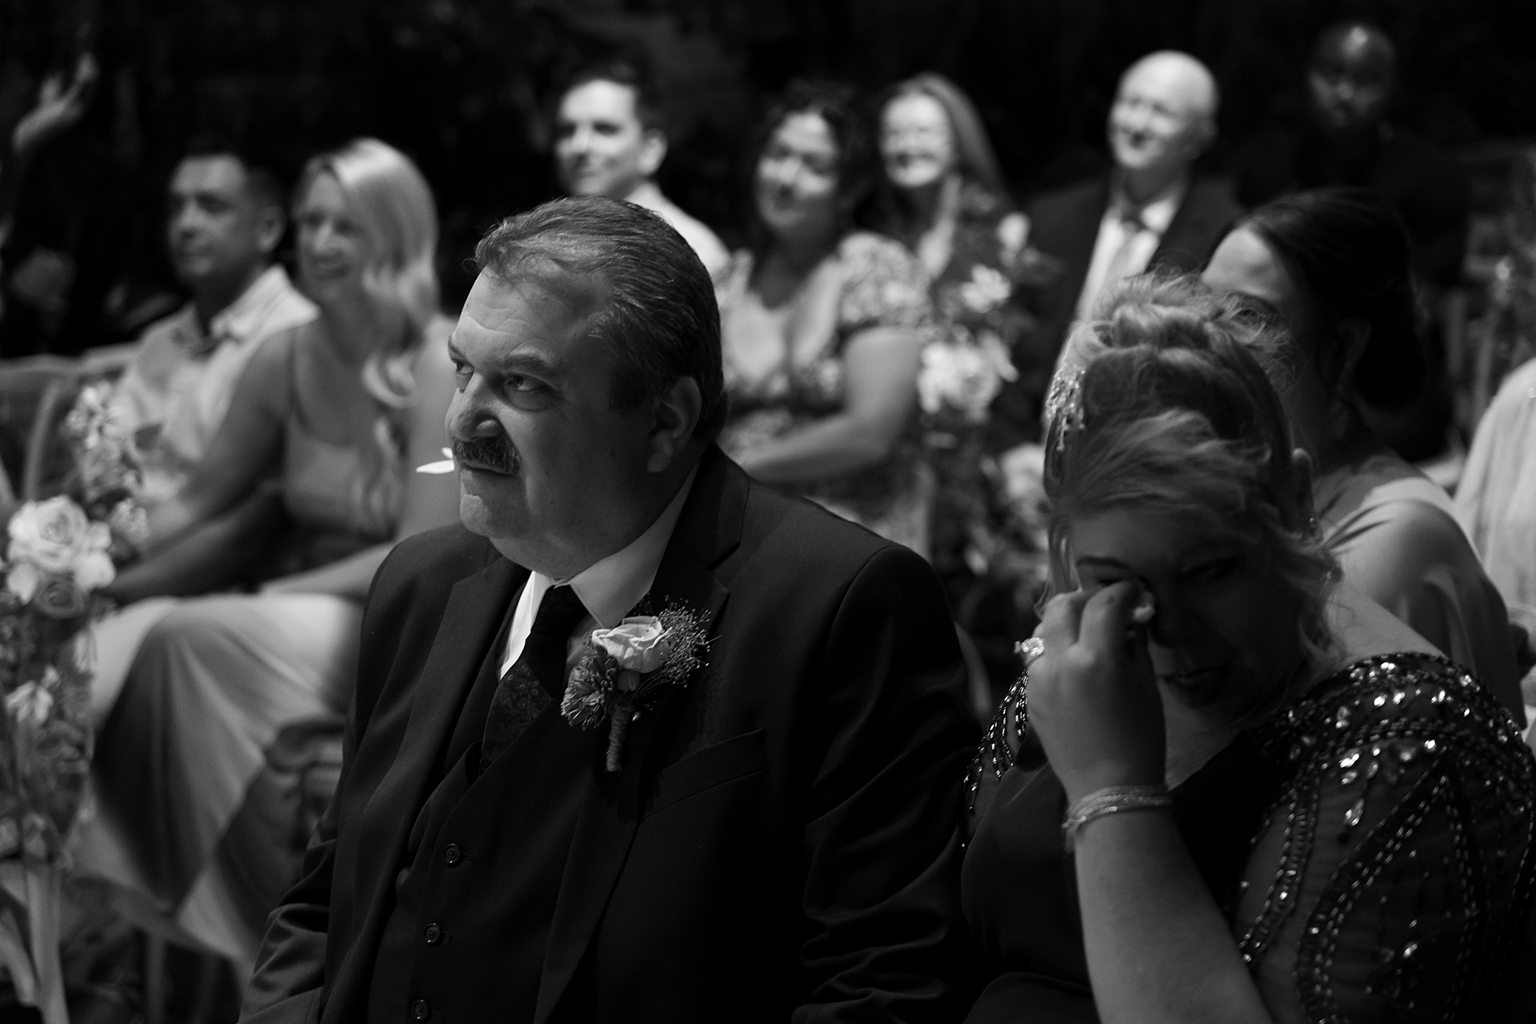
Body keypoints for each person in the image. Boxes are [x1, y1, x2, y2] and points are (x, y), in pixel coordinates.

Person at [239, 196, 978, 1023]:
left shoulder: (843, 607)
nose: (459, 423)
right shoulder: (420, 584)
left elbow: (881, 985)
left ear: (665, 421)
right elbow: (323, 904)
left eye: (522, 384)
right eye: (461, 371)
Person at [962, 273, 1536, 1023]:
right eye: (1116, 578)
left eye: (1209, 570)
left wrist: (1112, 791)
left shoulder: (1404, 746)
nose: (1168, 627)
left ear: (1295, 503)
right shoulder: (1077, 665)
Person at [73, 137, 460, 974]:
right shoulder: (284, 357)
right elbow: (195, 499)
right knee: (179, 637)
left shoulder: (439, 362)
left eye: (344, 227)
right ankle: (237, 928)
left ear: (393, 233)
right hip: (287, 608)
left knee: (190, 636)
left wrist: (269, 589)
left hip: (396, 615)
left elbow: (422, 550)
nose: (318, 245)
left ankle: (264, 933)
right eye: (311, 224)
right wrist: (74, 554)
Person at [1202, 186, 1524, 717]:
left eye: (1247, 317)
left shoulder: (1396, 537)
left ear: (1345, 344)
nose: (1205, 341)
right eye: (1201, 307)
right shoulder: (1248, 490)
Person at [717, 79, 935, 556]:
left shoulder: (877, 269)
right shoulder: (730, 279)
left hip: (854, 537)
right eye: (777, 155)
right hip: (738, 525)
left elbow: (871, 431)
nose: (785, 178)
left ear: (850, 187)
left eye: (814, 166)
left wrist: (735, 467)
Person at [992, 50, 1240, 447]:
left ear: (1199, 137)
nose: (1137, 124)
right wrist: (1011, 452)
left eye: (1161, 112)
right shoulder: (1053, 216)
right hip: (1027, 452)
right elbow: (1016, 343)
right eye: (1129, 103)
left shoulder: (1223, 235)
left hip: (1141, 461)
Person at [110, 135, 316, 502]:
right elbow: (108, 464)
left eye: (211, 206)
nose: (186, 224)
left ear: (267, 229)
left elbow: (252, 516)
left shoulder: (301, 335)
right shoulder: (160, 338)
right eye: (176, 207)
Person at [552, 57, 729, 278]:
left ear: (650, 148)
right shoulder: (547, 240)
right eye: (567, 131)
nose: (579, 146)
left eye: (604, 129)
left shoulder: (691, 250)